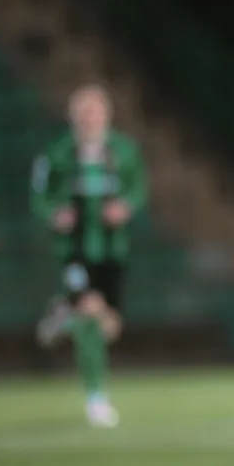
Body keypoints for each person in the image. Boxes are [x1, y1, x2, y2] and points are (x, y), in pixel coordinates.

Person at [31, 84, 148, 428]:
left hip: (112, 250)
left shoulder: (123, 150)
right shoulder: (57, 154)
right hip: (75, 250)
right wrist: (55, 214)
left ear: (106, 116)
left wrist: (125, 206)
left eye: (95, 113)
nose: (90, 119)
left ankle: (62, 315)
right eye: (84, 114)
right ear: (73, 118)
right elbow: (40, 195)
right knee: (90, 315)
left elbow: (137, 188)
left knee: (109, 326)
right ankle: (97, 398)